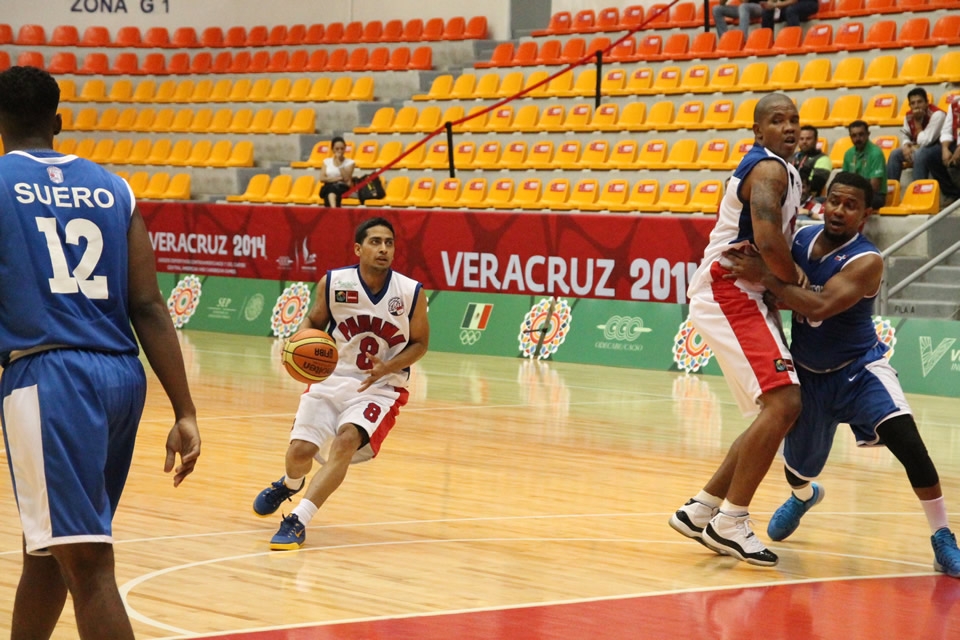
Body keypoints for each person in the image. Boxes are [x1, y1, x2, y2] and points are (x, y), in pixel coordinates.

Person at [0, 66, 201, 639]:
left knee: (87, 566)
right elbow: (149, 304)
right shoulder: (114, 188)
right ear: (58, 122)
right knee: (50, 550)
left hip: (50, 377)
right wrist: (185, 410)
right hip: (120, 379)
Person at [721, 171, 960, 578]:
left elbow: (818, 306)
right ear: (824, 202)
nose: (838, 210)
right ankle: (804, 496)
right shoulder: (799, 239)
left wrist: (767, 276)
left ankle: (942, 536)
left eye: (850, 206)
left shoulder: (867, 260)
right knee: (797, 469)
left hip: (860, 369)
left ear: (865, 215)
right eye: (834, 200)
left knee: (910, 445)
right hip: (809, 376)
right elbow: (767, 275)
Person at [668, 93, 802, 567]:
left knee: (774, 410)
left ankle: (702, 508)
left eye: (794, 120)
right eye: (778, 121)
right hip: (730, 290)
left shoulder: (784, 170)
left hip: (746, 293)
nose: (789, 127)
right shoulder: (766, 170)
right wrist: (797, 281)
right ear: (758, 131)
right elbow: (767, 239)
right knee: (785, 403)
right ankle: (731, 521)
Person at [252, 217, 429, 550]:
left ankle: (298, 520)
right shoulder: (334, 283)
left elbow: (420, 343)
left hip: (381, 386)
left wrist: (388, 366)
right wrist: (298, 341)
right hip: (331, 377)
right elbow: (314, 319)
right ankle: (290, 484)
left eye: (389, 243)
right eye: (375, 242)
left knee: (346, 441)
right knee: (300, 452)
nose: (383, 249)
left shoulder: (410, 292)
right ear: (358, 249)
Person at [886, 88, 945, 189]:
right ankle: (890, 190)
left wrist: (917, 124)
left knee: (920, 153)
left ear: (927, 103)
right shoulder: (909, 115)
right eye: (913, 103)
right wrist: (906, 146)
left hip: (938, 149)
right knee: (895, 154)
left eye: (919, 102)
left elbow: (926, 141)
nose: (916, 106)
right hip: (919, 148)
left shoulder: (937, 115)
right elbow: (905, 134)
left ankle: (917, 189)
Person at [914, 91, 960, 205]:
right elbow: (946, 130)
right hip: (955, 142)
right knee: (931, 155)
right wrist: (945, 149)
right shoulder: (955, 104)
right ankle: (951, 193)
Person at [842, 120, 887, 211]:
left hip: (875, 196)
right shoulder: (848, 154)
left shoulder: (876, 153)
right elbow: (844, 181)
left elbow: (874, 187)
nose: (858, 138)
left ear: (868, 134)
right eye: (854, 136)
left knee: (852, 203)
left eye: (861, 134)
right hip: (853, 194)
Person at [791, 124, 833, 217]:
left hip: (812, 199)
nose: (804, 142)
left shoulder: (823, 159)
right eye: (801, 139)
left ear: (816, 140)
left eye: (808, 139)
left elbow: (816, 186)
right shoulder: (793, 157)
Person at [318, 135, 355, 208]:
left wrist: (339, 163)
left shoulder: (350, 162)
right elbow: (322, 178)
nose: (340, 151)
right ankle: (334, 210)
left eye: (342, 148)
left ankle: (333, 210)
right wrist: (337, 179)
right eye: (337, 149)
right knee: (330, 189)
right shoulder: (326, 161)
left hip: (342, 187)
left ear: (345, 149)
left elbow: (346, 179)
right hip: (328, 186)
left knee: (330, 192)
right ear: (333, 149)